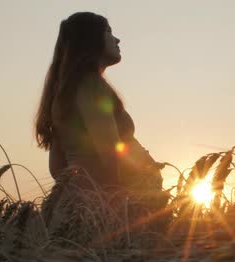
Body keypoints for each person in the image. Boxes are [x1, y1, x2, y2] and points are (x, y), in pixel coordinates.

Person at [34, 12, 163, 192]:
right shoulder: (90, 84)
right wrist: (114, 202)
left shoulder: (64, 93)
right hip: (114, 204)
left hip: (89, 202)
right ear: (90, 40)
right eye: (109, 32)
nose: (117, 39)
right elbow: (111, 154)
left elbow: (57, 168)